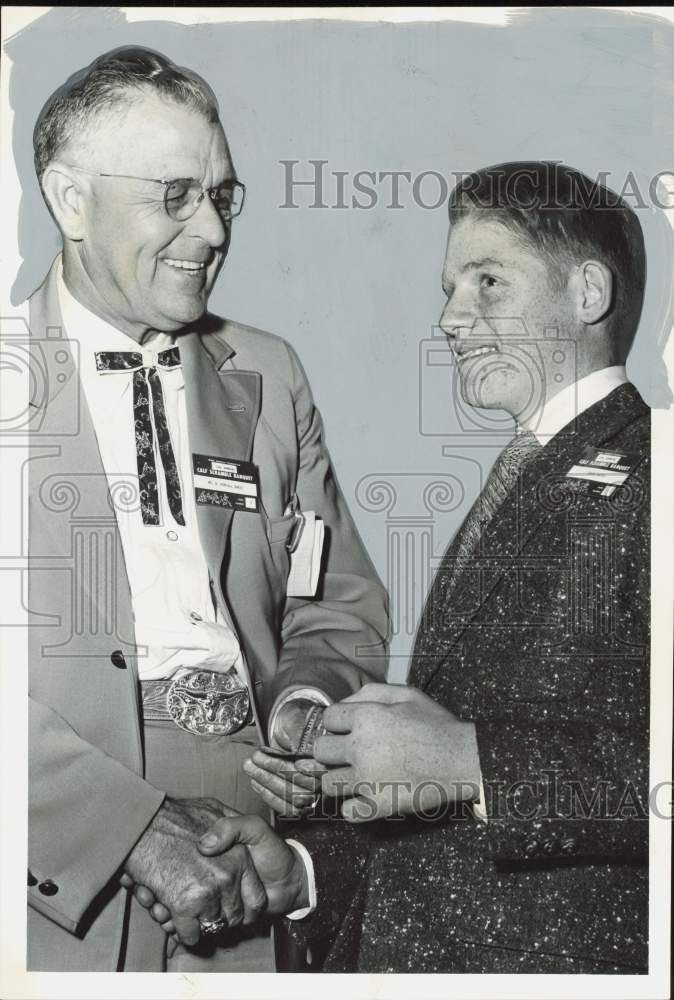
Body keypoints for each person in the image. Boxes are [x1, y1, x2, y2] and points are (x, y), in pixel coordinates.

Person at [165, 161, 651, 973]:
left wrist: (465, 758)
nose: (453, 318)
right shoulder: (538, 465)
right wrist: (309, 866)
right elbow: (444, 795)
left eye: (488, 281)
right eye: (450, 289)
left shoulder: (653, 471)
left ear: (589, 293)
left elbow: (470, 763)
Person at [26, 46, 388, 973]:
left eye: (224, 195)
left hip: (254, 831)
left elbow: (333, 598)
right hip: (53, 833)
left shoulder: (268, 370)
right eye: (174, 195)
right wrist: (122, 826)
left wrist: (307, 705)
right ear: (71, 201)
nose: (213, 229)